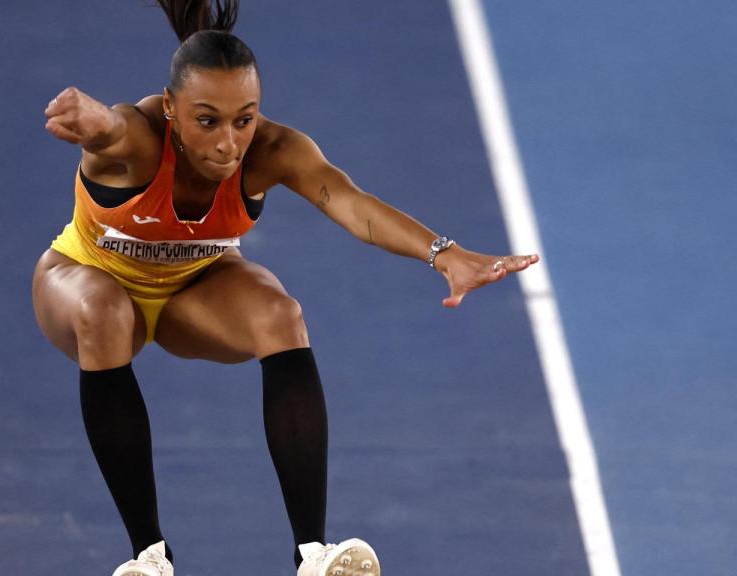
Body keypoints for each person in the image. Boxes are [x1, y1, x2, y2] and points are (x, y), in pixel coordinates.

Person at [33, 1, 539, 574]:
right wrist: (95, 120)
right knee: (104, 310)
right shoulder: (143, 140)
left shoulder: (272, 151)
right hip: (85, 279)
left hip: (189, 291)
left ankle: (312, 554)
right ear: (170, 107)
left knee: (281, 315)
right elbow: (113, 129)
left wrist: (443, 254)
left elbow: (351, 204)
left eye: (244, 119)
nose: (229, 144)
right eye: (207, 121)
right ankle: (149, 557)